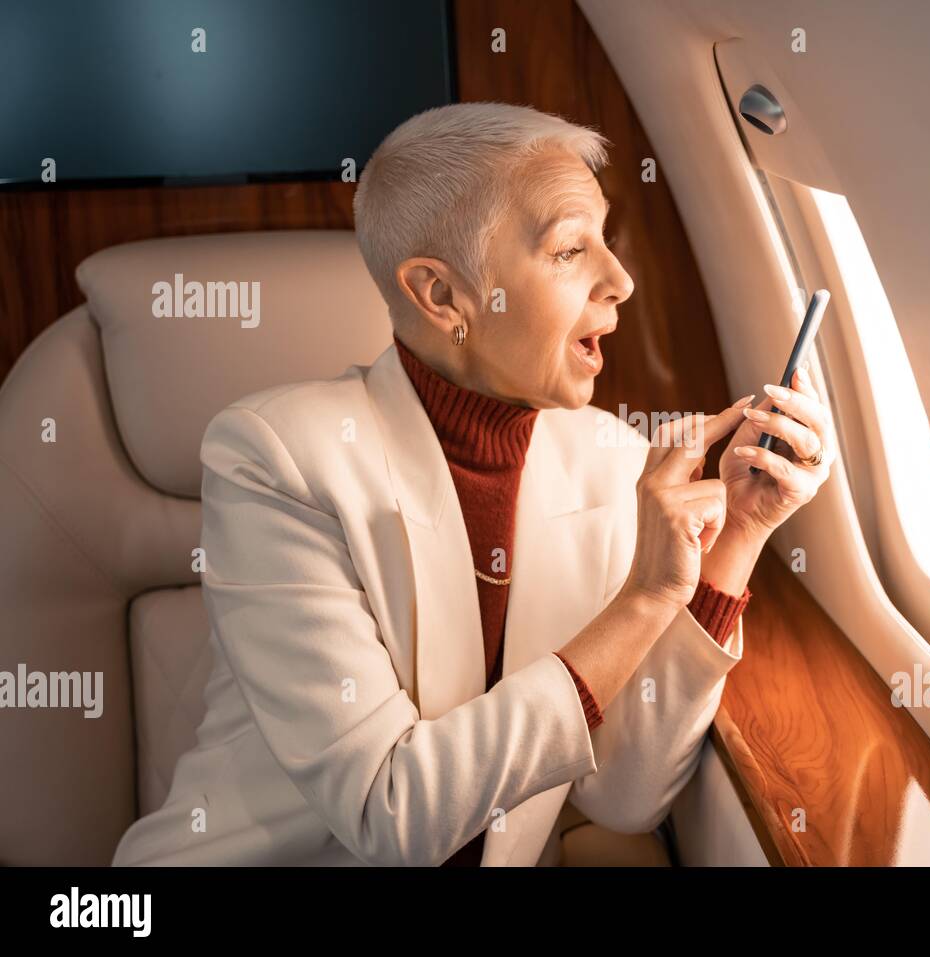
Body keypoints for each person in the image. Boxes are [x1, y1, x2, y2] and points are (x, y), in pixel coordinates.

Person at [112, 102, 834, 866]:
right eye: (568, 250)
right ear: (442, 296)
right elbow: (395, 814)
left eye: (606, 240)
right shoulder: (276, 459)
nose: (619, 280)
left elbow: (623, 797)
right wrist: (645, 598)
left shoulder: (615, 461)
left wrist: (737, 541)